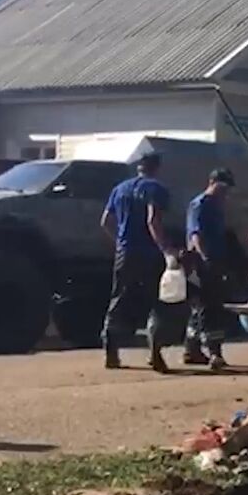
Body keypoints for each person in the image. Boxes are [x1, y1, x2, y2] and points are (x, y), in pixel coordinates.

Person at [100, 152, 172, 372]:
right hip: (149, 253)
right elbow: (153, 220)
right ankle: (155, 354)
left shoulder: (119, 189)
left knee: (119, 298)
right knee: (155, 301)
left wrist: (120, 242)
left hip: (125, 252)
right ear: (157, 167)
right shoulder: (156, 189)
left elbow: (105, 222)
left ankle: (111, 352)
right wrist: (166, 250)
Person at [183, 168, 234, 371]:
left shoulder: (216, 206)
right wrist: (206, 258)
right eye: (222, 187)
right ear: (212, 182)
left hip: (214, 260)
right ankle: (215, 352)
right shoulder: (200, 204)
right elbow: (196, 234)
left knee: (201, 309)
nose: (225, 192)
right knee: (210, 309)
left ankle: (191, 349)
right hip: (202, 262)